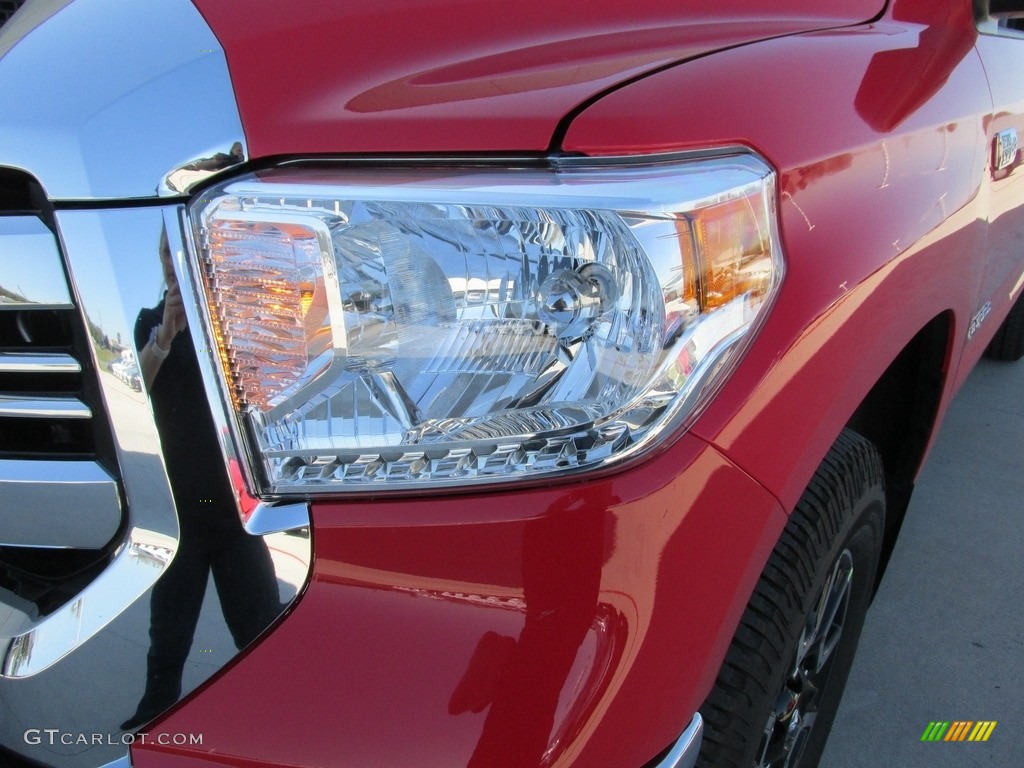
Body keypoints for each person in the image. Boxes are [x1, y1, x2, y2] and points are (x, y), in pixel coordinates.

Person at [122, 229, 282, 731]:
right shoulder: (150, 322)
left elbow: (263, 394)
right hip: (180, 514)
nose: (172, 262)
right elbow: (136, 388)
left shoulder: (228, 324)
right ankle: (153, 721)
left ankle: (271, 722)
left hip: (235, 512)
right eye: (164, 252)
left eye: (179, 252)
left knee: (262, 633)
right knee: (167, 637)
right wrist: (166, 336)